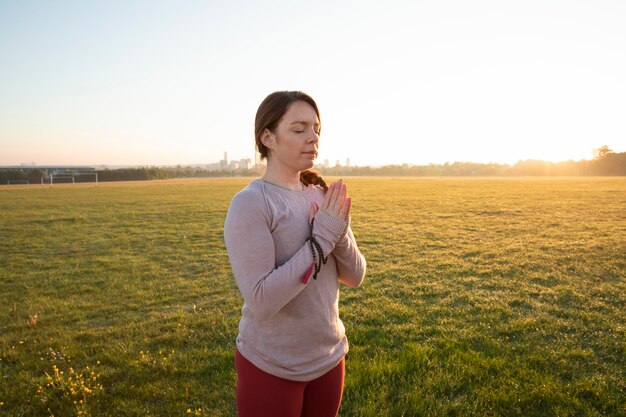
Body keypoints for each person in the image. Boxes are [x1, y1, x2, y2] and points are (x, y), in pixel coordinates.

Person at [223, 91, 366, 417]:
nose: (313, 137)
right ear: (268, 137)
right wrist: (321, 238)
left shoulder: (322, 194)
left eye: (316, 128)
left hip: (329, 358)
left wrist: (337, 231)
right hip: (272, 364)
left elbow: (355, 276)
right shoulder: (251, 204)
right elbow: (262, 301)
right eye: (299, 129)